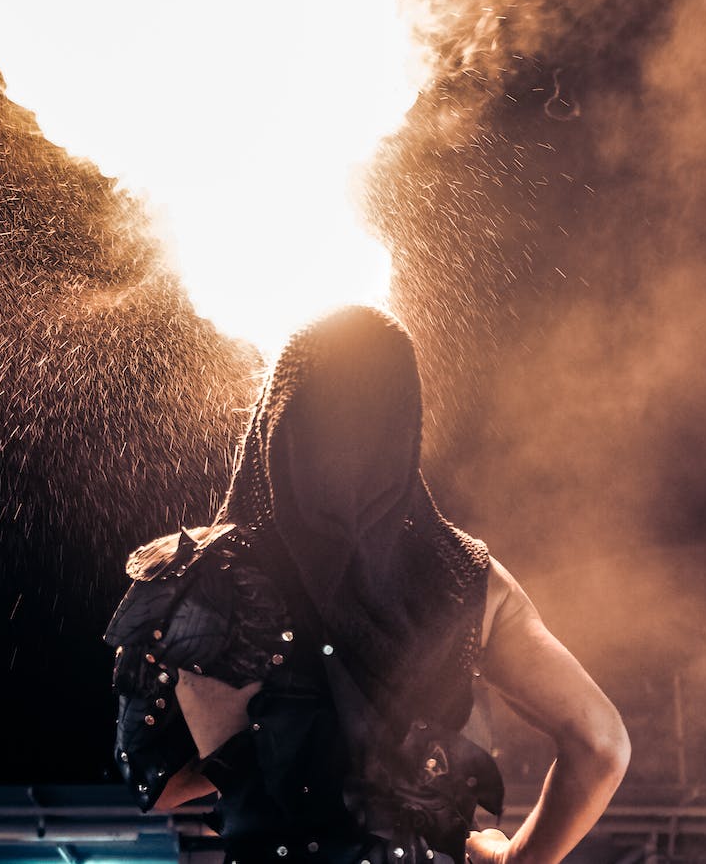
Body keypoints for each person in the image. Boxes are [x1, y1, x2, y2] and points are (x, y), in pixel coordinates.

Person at [106, 306, 629, 864]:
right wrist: (513, 861)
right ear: (404, 428)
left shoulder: (203, 576)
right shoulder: (468, 577)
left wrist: (257, 752)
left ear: (277, 422)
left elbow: (155, 784)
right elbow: (601, 745)